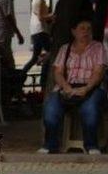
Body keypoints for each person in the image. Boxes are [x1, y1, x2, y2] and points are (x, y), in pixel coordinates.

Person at [39, 16, 107, 155]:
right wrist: (66, 87)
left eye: (88, 29)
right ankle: (50, 144)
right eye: (82, 28)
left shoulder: (98, 47)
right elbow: (57, 72)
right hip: (67, 87)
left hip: (90, 87)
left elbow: (98, 72)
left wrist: (86, 88)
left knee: (90, 109)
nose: (86, 32)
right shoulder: (65, 49)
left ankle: (91, 145)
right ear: (73, 31)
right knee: (51, 108)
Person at [23, 0, 54, 85]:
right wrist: (53, 16)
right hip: (41, 30)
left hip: (35, 30)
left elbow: (38, 14)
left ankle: (21, 74)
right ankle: (43, 81)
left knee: (35, 57)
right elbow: (41, 17)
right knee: (52, 53)